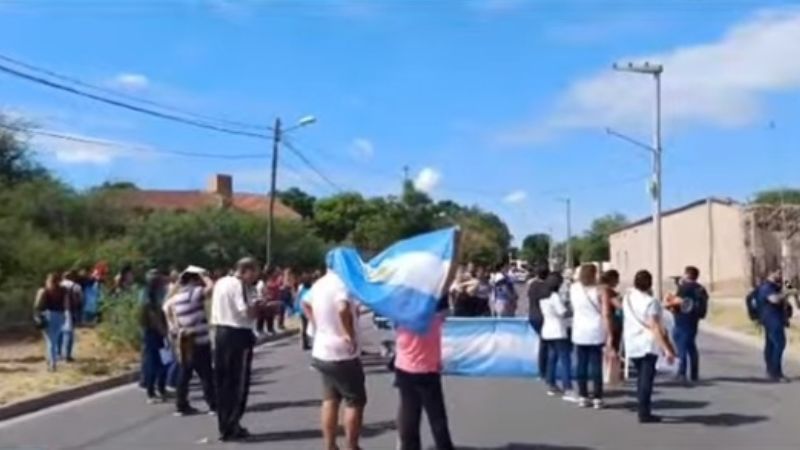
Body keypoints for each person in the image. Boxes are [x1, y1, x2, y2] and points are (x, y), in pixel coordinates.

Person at [307, 256, 366, 450]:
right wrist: (348, 333)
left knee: (330, 399)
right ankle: (352, 445)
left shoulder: (319, 284)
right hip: (342, 352)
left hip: (323, 349)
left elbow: (305, 304)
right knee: (354, 400)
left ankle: (330, 444)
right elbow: (342, 308)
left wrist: (317, 325)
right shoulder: (342, 284)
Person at [211, 257, 262, 442]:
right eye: (254, 272)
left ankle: (224, 423)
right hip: (237, 334)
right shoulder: (238, 285)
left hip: (220, 333)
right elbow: (245, 311)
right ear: (246, 270)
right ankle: (232, 424)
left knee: (223, 382)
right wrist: (258, 306)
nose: (255, 277)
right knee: (238, 382)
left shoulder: (220, 282)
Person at [394, 295, 455, 450]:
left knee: (410, 415)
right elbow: (446, 311)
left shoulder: (401, 322)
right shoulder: (435, 321)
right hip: (428, 371)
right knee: (437, 417)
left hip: (405, 369)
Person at [623, 270, 677, 423]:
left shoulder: (628, 297)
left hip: (632, 341)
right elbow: (655, 327)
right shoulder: (650, 302)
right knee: (646, 379)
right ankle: (644, 412)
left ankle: (643, 409)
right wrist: (667, 349)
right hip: (647, 343)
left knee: (641, 377)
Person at [164, 266, 217, 416]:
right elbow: (211, 289)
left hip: (185, 339)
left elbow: (166, 306)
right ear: (194, 280)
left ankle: (181, 405)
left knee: (185, 374)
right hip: (199, 339)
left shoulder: (176, 298)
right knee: (206, 374)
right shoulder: (193, 293)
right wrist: (204, 275)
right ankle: (213, 404)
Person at [569, 264, 606, 409]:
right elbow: (605, 312)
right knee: (596, 365)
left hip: (579, 329)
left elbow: (573, 306)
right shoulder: (600, 289)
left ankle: (583, 395)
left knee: (581, 365)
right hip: (596, 328)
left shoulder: (574, 288)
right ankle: (597, 397)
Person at [665, 266, 709, 384]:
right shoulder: (701, 289)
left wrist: (669, 300)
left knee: (681, 347)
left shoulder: (684, 288)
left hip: (682, 320)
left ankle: (682, 372)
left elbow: (678, 301)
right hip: (693, 319)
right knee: (691, 346)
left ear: (687, 275)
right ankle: (694, 373)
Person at [541, 273, 576, 401]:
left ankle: (551, 384)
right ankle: (568, 388)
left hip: (547, 330)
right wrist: (573, 310)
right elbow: (563, 313)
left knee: (552, 357)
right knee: (565, 359)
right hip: (558, 330)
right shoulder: (554, 296)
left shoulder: (543, 297)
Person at [756, 269, 791, 382]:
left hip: (776, 319)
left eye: (781, 273)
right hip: (771, 319)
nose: (780, 275)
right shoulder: (766, 287)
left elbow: (787, 293)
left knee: (771, 345)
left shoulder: (777, 286)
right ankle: (775, 372)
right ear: (770, 274)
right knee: (779, 344)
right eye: (778, 273)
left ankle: (771, 371)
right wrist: (785, 293)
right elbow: (774, 299)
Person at [139, 270, 168, 403]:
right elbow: (153, 318)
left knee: (163, 362)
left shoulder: (155, 294)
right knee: (154, 363)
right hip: (152, 333)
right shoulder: (148, 298)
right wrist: (164, 332)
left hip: (155, 332)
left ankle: (161, 389)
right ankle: (151, 392)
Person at [34, 273, 69, 372]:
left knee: (50, 341)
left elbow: (37, 305)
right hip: (60, 315)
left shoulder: (45, 290)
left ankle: (52, 363)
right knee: (54, 340)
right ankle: (50, 360)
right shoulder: (63, 290)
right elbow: (66, 304)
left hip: (47, 315)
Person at [527, 265, 552, 379]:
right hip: (543, 317)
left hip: (533, 316)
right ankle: (545, 371)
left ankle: (543, 371)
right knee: (547, 345)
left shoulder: (533, 285)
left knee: (543, 344)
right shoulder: (547, 287)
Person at [600, 270, 623, 385]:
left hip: (598, 322)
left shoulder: (597, 289)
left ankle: (603, 370)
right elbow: (619, 306)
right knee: (613, 346)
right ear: (612, 279)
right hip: (612, 321)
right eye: (617, 279)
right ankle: (611, 372)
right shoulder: (609, 292)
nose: (618, 282)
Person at [59, 269, 83, 362]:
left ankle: (58, 353)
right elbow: (80, 300)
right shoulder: (76, 286)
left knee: (59, 332)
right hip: (70, 310)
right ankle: (67, 355)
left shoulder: (58, 285)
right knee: (69, 333)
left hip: (58, 310)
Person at [297, 273, 314, 351]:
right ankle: (306, 342)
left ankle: (305, 343)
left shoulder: (301, 289)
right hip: (308, 310)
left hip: (302, 310)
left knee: (304, 327)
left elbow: (298, 299)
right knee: (308, 326)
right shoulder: (311, 290)